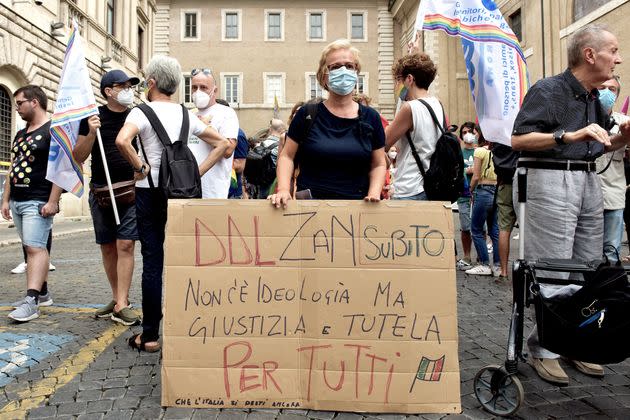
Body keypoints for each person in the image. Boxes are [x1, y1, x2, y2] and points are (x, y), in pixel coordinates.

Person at [511, 24, 630, 385]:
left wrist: (620, 140)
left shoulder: (596, 98)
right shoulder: (549, 89)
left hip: (587, 178)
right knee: (552, 265)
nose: (619, 58)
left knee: (585, 266)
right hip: (549, 179)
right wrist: (568, 134)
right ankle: (543, 348)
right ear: (590, 55)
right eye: (613, 50)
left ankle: (575, 340)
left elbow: (594, 145)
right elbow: (518, 139)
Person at [115, 55, 230, 352]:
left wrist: (141, 168)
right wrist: (196, 172)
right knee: (185, 261)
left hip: (149, 193)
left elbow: (122, 142)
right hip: (182, 195)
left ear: (151, 83)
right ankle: (192, 329)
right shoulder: (185, 114)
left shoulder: (140, 113)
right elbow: (223, 144)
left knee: (153, 263)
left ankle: (150, 336)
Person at [270, 39, 385, 206]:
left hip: (358, 209)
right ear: (324, 75)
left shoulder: (371, 117)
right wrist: (283, 190)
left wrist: (374, 193)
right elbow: (287, 156)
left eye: (349, 66)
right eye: (336, 67)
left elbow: (379, 163)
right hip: (310, 209)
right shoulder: (306, 115)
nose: (343, 70)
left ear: (356, 73)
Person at [74, 69, 141, 325]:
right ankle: (116, 297)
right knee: (108, 247)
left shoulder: (136, 116)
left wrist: (142, 169)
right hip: (101, 192)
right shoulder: (92, 118)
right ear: (108, 91)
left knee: (126, 244)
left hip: (131, 191)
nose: (127, 89)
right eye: (121, 85)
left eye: (129, 85)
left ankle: (123, 303)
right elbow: (78, 156)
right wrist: (91, 133)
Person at [1, 85, 62, 322]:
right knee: (31, 246)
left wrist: (53, 201)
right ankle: (43, 293)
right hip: (17, 200)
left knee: (35, 248)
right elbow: (13, 167)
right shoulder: (21, 133)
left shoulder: (53, 130)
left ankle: (31, 301)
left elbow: (60, 168)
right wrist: (5, 199)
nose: (17, 108)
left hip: (38, 199)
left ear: (34, 102)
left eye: (19, 103)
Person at [385, 52, 442, 201]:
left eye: (398, 80)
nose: (397, 86)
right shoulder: (437, 104)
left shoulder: (410, 108)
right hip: (432, 185)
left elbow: (383, 142)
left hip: (409, 187)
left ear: (409, 79)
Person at [188, 68, 238, 198]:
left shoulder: (226, 113)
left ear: (214, 91)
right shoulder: (189, 114)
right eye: (194, 87)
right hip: (188, 189)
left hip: (213, 192)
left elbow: (228, 151)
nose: (198, 91)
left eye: (203, 87)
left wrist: (205, 127)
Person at [595, 76, 624, 261]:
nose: (606, 92)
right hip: (587, 195)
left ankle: (609, 287)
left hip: (614, 193)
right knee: (586, 249)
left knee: (611, 250)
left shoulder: (624, 123)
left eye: (612, 89)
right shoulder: (583, 119)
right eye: (602, 87)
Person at [464, 137, 499, 276]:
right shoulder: (497, 151)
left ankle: (484, 263)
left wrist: (470, 190)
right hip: (497, 191)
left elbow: (476, 176)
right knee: (494, 231)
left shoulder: (479, 151)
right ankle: (497, 266)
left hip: (484, 190)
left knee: (476, 230)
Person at [455, 122, 478, 271]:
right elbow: (456, 172)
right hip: (463, 195)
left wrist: (475, 171)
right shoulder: (459, 153)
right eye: (464, 132)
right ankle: (467, 256)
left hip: (478, 194)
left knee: (480, 228)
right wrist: (466, 172)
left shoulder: (482, 151)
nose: (467, 134)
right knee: (465, 228)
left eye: (470, 131)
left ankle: (482, 258)